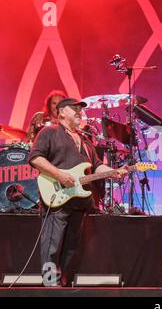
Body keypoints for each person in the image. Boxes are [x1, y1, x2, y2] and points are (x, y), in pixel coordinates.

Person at [28, 97, 128, 286]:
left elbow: (97, 166)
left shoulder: (85, 141)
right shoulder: (49, 132)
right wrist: (59, 175)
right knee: (51, 246)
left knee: (72, 248)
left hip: (80, 203)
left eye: (80, 109)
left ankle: (63, 284)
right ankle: (50, 286)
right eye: (74, 108)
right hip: (57, 198)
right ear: (61, 112)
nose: (78, 112)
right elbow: (36, 158)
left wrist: (114, 172)